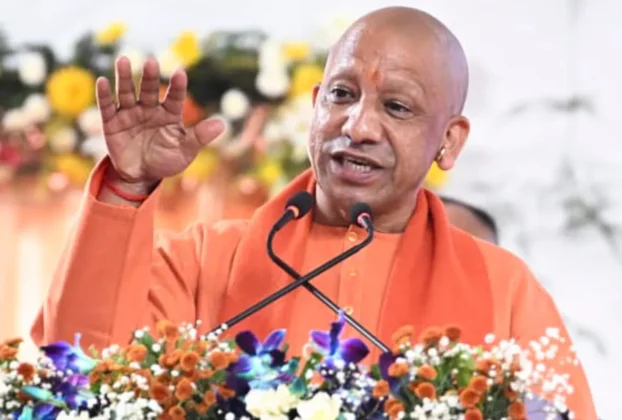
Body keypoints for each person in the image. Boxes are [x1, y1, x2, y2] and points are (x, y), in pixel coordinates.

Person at [31, 7, 597, 418]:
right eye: (342, 95)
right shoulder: (205, 260)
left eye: (396, 106)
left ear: (449, 142)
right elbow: (83, 374)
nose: (359, 126)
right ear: (314, 106)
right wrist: (128, 187)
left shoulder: (505, 289)